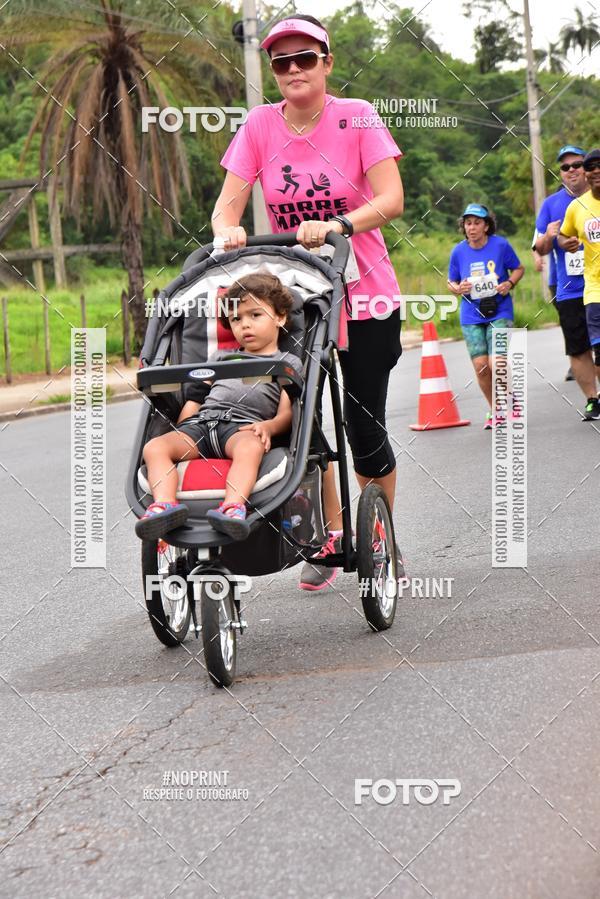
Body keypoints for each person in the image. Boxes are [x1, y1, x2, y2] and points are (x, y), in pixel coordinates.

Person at [210, 14, 404, 590]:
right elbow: (227, 205)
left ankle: (381, 540)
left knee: (362, 424)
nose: (293, 69)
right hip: (297, 298)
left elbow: (391, 198)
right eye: (281, 62)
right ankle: (330, 534)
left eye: (305, 58)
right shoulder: (260, 125)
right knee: (301, 423)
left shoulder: (357, 115)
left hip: (364, 290)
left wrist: (339, 222)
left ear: (327, 62)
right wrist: (228, 232)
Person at [135, 273, 302, 542]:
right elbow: (196, 398)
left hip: (242, 427)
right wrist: (181, 429)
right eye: (236, 319)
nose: (244, 325)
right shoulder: (221, 358)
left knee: (250, 448)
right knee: (154, 448)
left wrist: (268, 427)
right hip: (201, 425)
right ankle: (165, 506)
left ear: (280, 317)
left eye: (255, 315)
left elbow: (287, 413)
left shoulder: (286, 361)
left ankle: (233, 506)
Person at [447, 204, 524, 428]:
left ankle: (512, 403)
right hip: (471, 314)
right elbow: (450, 280)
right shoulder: (458, 251)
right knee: (481, 366)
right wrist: (457, 288)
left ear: (486, 225)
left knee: (497, 361)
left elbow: (519, 268)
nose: (472, 228)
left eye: (477, 223)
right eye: (468, 223)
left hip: (500, 311)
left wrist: (509, 283)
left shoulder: (501, 245)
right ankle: (495, 409)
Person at [534, 145, 598, 412]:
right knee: (578, 347)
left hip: (595, 286)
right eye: (565, 167)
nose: (571, 170)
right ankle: (592, 400)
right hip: (571, 288)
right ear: (560, 173)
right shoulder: (551, 205)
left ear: (587, 170)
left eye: (577, 165)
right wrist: (551, 237)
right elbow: (540, 248)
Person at [558, 148, 600, 420]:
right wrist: (566, 242)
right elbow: (562, 237)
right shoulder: (577, 207)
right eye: (591, 167)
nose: (595, 171)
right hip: (594, 289)